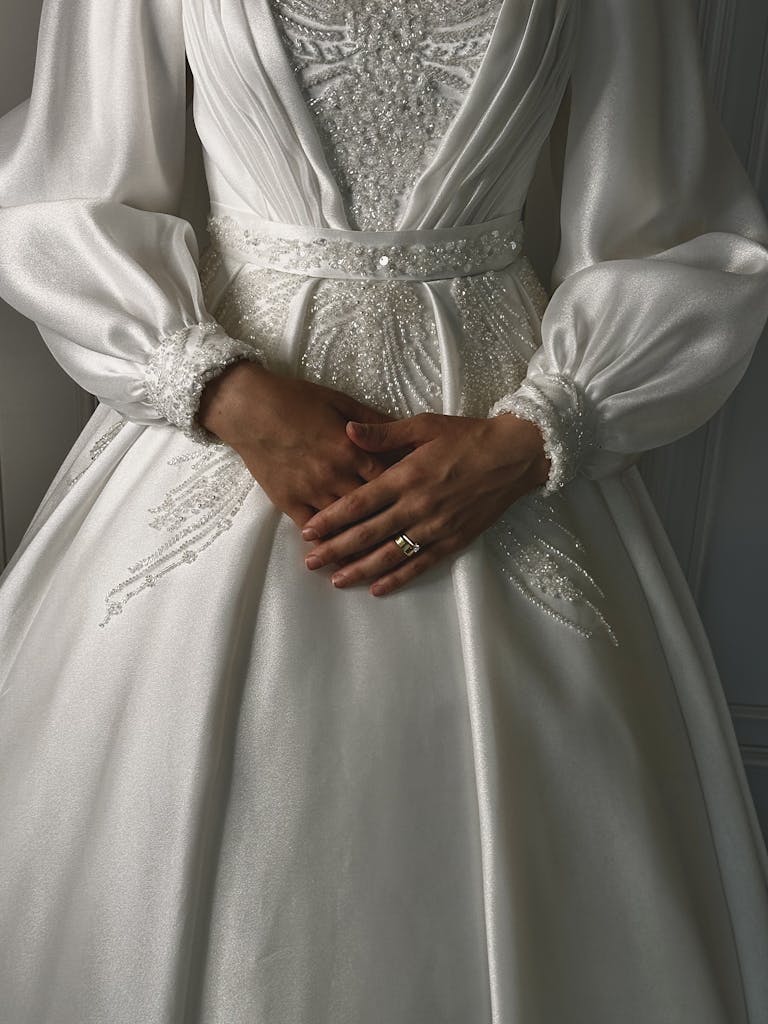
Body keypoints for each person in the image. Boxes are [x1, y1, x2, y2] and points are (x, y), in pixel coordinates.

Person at [1, 0, 767, 1021]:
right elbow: (64, 192)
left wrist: (533, 435)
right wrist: (224, 393)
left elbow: (674, 224)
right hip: (229, 421)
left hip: (498, 441)